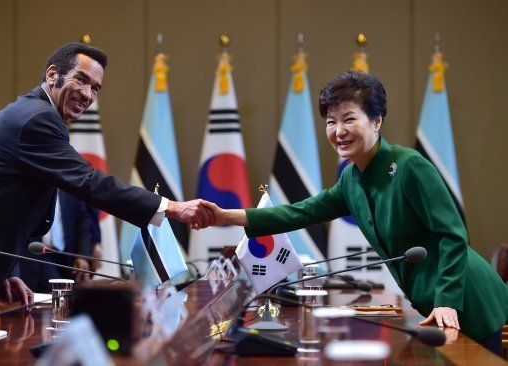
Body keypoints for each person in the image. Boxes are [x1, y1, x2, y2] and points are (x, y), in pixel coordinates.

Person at [205, 71, 508, 354]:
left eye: (349, 119)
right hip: (433, 305)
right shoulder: (352, 179)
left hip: (465, 299)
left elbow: (452, 235)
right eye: (330, 122)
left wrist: (446, 302)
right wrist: (224, 216)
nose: (338, 131)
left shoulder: (409, 165)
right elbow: (301, 212)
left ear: (376, 121)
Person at [0, 42, 214, 322]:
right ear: (53, 74)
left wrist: (7, 271)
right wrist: (170, 207)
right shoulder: (37, 118)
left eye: (96, 88)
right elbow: (89, 182)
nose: (88, 95)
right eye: (81, 80)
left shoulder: (36, 114)